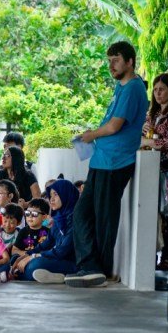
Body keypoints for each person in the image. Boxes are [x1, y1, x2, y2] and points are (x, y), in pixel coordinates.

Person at [68, 41, 148, 287]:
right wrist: (93, 135)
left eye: (116, 59)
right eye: (109, 60)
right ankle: (89, 266)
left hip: (116, 162)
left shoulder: (134, 88)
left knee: (104, 217)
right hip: (102, 160)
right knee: (82, 213)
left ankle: (99, 270)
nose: (111, 65)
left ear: (130, 61)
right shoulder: (120, 87)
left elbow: (115, 126)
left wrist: (93, 135)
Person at [140, 73, 168, 271]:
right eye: (155, 90)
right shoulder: (151, 113)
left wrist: (147, 141)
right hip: (150, 167)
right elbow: (142, 136)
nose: (158, 94)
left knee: (167, 214)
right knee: (150, 212)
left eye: (162, 90)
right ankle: (149, 255)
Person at [20, 180, 80, 284]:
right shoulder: (58, 219)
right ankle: (57, 277)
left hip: (72, 264)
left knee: (34, 265)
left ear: (66, 194)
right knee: (17, 259)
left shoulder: (76, 220)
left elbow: (62, 251)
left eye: (56, 194)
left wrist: (34, 256)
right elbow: (47, 243)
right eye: (50, 195)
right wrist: (27, 254)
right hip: (58, 260)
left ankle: (21, 273)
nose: (51, 199)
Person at [10, 198, 52, 279]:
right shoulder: (23, 231)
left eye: (34, 214)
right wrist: (27, 254)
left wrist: (34, 256)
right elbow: (14, 250)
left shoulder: (49, 232)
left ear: (44, 217)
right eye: (27, 213)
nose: (30, 216)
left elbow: (50, 251)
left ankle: (27, 275)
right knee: (14, 258)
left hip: (39, 259)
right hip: (24, 258)